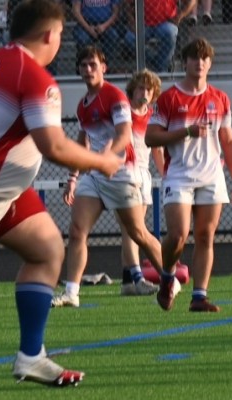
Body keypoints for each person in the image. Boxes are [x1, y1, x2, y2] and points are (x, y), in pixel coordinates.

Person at [0, 0, 124, 386]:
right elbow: (54, 146)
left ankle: (31, 357)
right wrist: (102, 162)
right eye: (61, 34)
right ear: (49, 34)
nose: (60, 42)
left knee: (48, 249)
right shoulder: (36, 79)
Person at [51, 46, 163, 308]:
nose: (89, 69)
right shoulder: (82, 105)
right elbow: (83, 141)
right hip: (96, 174)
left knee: (137, 232)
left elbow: (124, 136)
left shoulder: (114, 96)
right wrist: (73, 176)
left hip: (121, 172)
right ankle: (71, 292)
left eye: (94, 64)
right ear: (78, 69)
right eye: (84, 65)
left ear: (104, 68)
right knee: (77, 229)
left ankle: (168, 278)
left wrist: (105, 156)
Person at [146, 37, 232, 312]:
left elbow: (228, 140)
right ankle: (167, 276)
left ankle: (199, 296)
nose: (199, 63)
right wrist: (186, 131)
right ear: (185, 62)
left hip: (212, 175)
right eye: (194, 58)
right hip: (179, 174)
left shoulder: (219, 98)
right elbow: (151, 138)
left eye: (204, 58)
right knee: (178, 234)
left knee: (205, 236)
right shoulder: (169, 98)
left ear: (210, 63)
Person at [117, 68, 171, 296]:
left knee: (133, 230)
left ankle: (127, 281)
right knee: (132, 230)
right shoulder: (122, 113)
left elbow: (157, 149)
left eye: (149, 89)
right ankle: (139, 278)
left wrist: (165, 175)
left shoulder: (151, 117)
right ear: (133, 89)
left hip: (143, 175)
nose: (145, 93)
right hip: (122, 174)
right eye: (141, 87)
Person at [143, 0, 197, 73]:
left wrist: (179, 16)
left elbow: (192, 1)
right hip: (143, 25)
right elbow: (128, 5)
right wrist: (132, 24)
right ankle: (153, 57)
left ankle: (162, 69)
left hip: (165, 23)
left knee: (170, 32)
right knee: (130, 39)